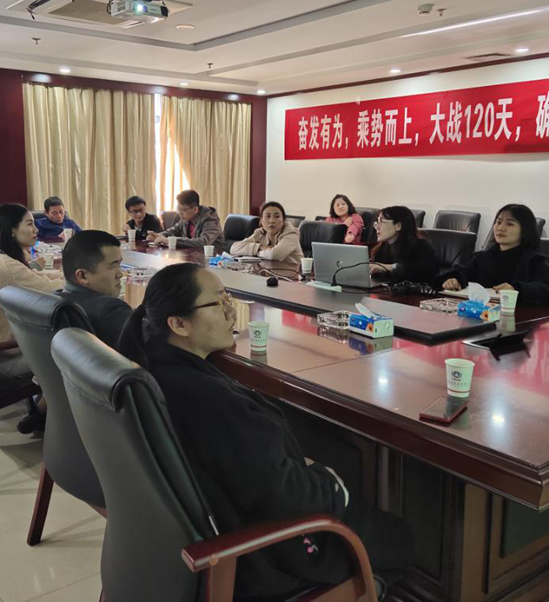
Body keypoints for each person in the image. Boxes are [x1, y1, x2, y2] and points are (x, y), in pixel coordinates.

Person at [119, 263, 412, 600]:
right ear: (179, 324)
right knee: (401, 539)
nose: (231, 311)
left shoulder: (157, 369)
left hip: (204, 541)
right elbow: (281, 495)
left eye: (228, 298)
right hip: (267, 558)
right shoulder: (209, 401)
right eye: (219, 303)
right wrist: (332, 486)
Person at [0, 204, 64, 379]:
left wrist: (69, 276)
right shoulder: (5, 266)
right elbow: (53, 290)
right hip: (0, 360)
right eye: (29, 224)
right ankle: (52, 397)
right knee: (73, 351)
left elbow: (35, 275)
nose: (36, 230)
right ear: (12, 230)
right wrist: (82, 281)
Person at [440, 204, 549, 306]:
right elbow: (464, 274)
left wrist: (516, 289)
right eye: (498, 222)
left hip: (520, 320)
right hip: (483, 317)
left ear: (524, 230)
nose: (501, 228)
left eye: (509, 224)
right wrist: (453, 280)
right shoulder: (483, 257)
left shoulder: (533, 260)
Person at [57, 230, 132, 348]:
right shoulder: (109, 310)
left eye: (119, 265)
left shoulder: (55, 302)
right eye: (113, 265)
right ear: (82, 276)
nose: (120, 274)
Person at [369, 206, 440, 283]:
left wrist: (389, 267)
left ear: (398, 226)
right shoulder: (381, 249)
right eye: (377, 223)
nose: (377, 227)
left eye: (382, 222)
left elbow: (424, 271)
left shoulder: (420, 246)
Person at [230, 201, 303, 267]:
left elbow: (274, 254)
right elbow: (234, 248)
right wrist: (260, 246)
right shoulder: (260, 232)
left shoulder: (291, 233)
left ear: (283, 221)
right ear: (261, 221)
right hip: (269, 272)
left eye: (277, 216)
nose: (272, 221)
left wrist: (257, 252)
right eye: (268, 216)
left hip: (292, 275)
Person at [147, 189, 226, 250]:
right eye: (178, 209)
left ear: (195, 209)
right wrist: (159, 236)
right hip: (192, 256)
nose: (180, 213)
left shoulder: (210, 219)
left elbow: (203, 242)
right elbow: (174, 231)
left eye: (183, 210)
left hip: (214, 259)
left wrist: (170, 241)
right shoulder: (186, 218)